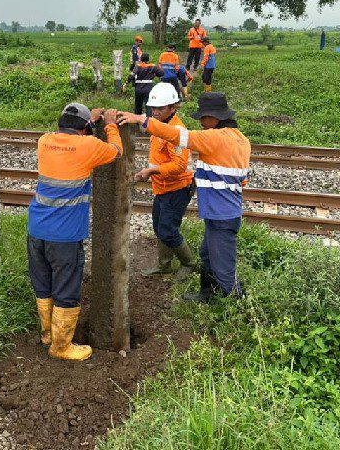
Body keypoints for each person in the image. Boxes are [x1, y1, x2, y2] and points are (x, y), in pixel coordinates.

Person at [118, 92, 250, 304]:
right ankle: (208, 293)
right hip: (224, 211)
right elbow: (242, 180)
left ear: (214, 118)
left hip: (221, 215)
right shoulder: (241, 139)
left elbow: (176, 135)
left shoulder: (214, 137)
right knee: (207, 254)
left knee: (223, 265)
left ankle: (237, 304)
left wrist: (141, 119)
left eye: (203, 118)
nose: (201, 123)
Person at [27, 104, 123, 361]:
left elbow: (70, 138)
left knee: (43, 286)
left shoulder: (45, 141)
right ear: (85, 128)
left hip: (36, 229)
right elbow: (116, 151)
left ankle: (48, 336)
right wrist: (110, 125)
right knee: (66, 289)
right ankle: (61, 347)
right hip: (65, 236)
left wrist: (88, 120)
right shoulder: (88, 146)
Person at [135, 83, 197, 279]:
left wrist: (152, 170)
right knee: (159, 227)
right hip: (162, 187)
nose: (155, 112)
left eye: (160, 108)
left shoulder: (177, 131)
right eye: (153, 108)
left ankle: (189, 263)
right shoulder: (159, 126)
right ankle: (164, 265)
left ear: (173, 107)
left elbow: (179, 165)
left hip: (177, 189)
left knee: (168, 231)